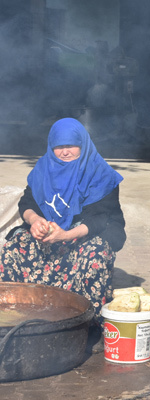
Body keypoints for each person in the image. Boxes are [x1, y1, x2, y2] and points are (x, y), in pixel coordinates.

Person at [0, 118, 126, 323]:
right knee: (14, 247)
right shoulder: (43, 168)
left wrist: (66, 235)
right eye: (58, 146)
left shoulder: (100, 174)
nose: (65, 151)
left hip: (84, 236)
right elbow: (27, 202)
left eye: (71, 145)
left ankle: (88, 324)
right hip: (50, 236)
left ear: (83, 145)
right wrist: (36, 221)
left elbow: (101, 219)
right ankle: (18, 317)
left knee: (95, 255)